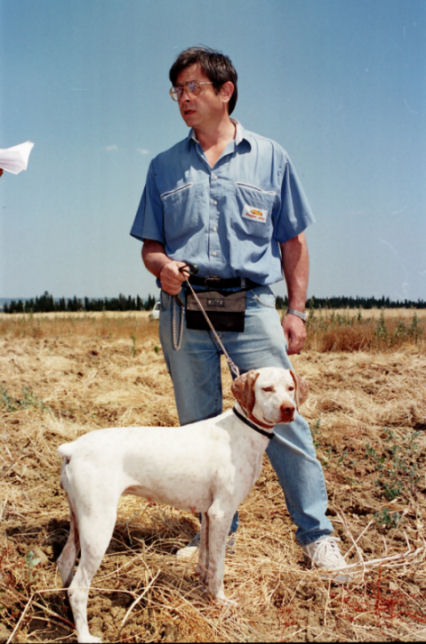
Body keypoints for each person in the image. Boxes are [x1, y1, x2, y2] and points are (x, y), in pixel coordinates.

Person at [130, 46, 349, 579]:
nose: (183, 98)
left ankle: (317, 536)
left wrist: (296, 310)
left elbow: (292, 243)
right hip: (186, 309)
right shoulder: (163, 165)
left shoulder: (271, 157)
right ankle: (213, 535)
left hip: (251, 307)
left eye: (193, 88)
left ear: (225, 91)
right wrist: (160, 268)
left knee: (286, 421)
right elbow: (150, 246)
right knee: (199, 428)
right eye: (177, 90)